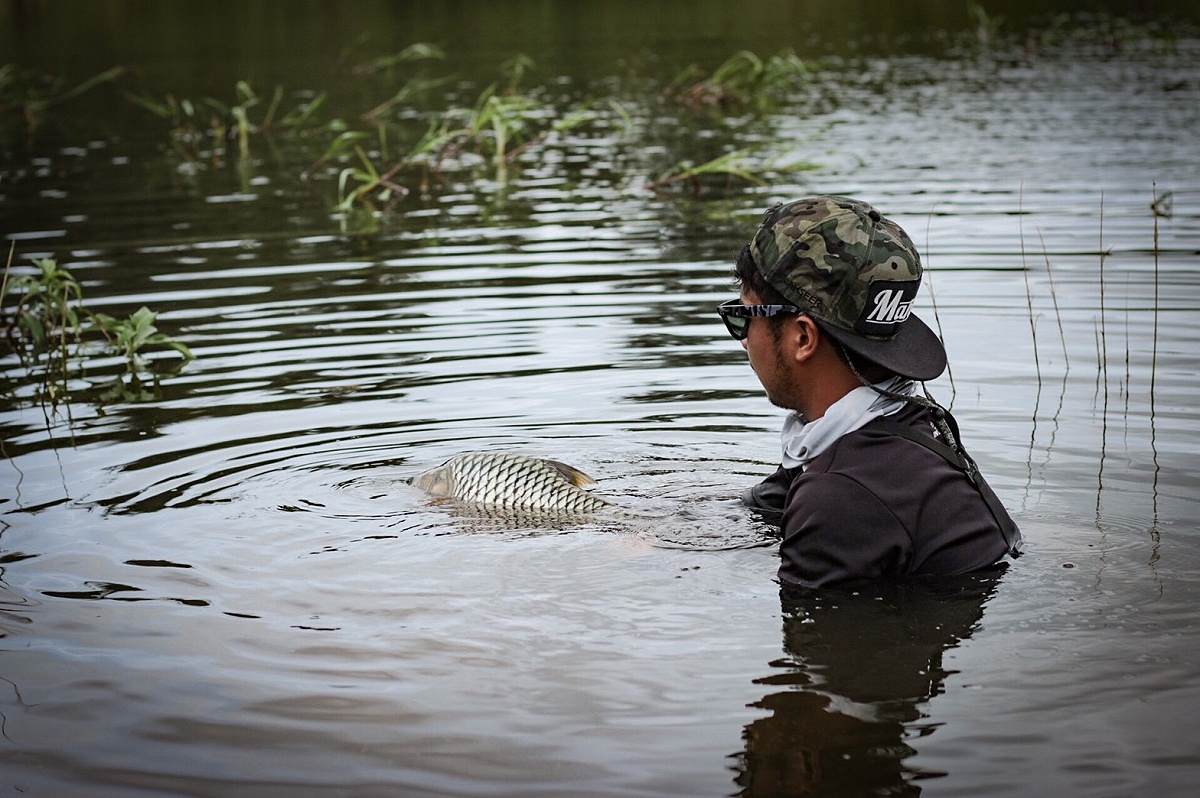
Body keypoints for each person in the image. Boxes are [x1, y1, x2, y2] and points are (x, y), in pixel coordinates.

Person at [717, 195, 1022, 589]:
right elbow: (770, 500)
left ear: (802, 337)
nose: (743, 341)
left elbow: (815, 648)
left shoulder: (840, 496)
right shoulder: (906, 421)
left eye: (744, 317)